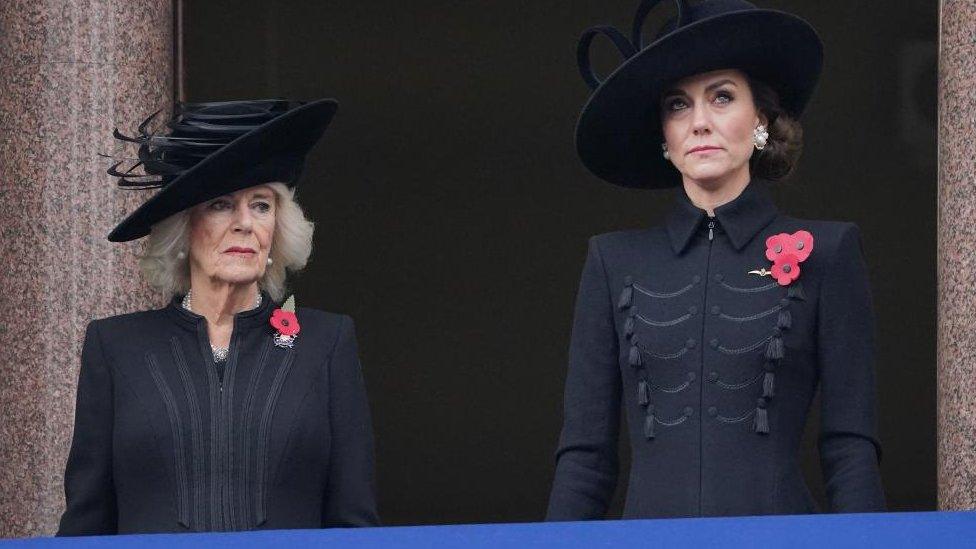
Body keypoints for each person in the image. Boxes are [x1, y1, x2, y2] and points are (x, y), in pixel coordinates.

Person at [546, 0, 885, 519]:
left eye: (722, 97)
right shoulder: (611, 261)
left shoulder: (829, 253)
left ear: (761, 120)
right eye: (678, 105)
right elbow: (586, 460)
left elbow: (849, 449)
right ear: (664, 134)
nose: (699, 122)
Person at [57, 99, 379, 534]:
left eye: (261, 205)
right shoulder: (116, 347)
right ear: (184, 228)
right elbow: (86, 525)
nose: (245, 223)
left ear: (276, 230)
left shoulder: (326, 342)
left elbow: (354, 522)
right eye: (222, 204)